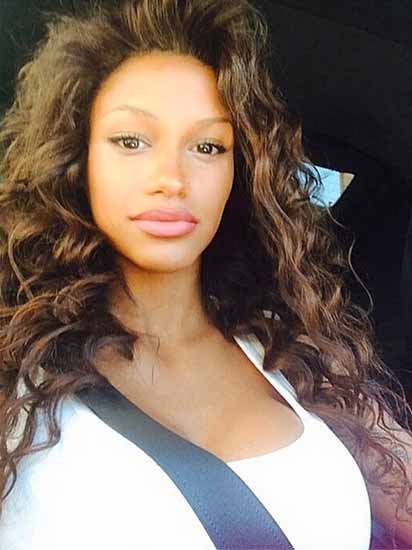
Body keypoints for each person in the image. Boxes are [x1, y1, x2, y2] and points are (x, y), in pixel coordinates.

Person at [0, 0, 411, 548]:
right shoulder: (15, 368)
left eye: (208, 146)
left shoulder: (296, 348)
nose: (171, 177)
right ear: (78, 161)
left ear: (238, 174)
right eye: (131, 141)